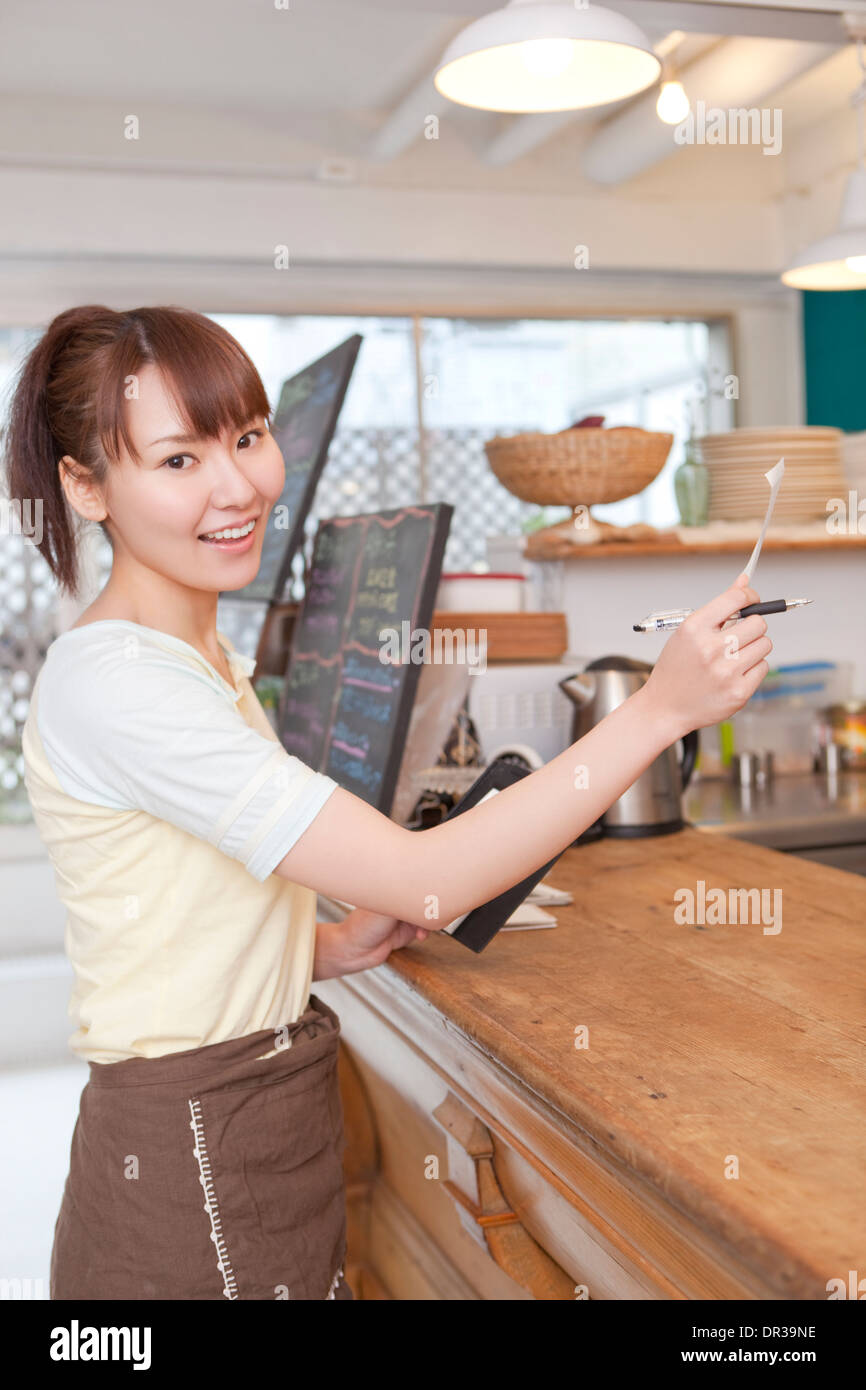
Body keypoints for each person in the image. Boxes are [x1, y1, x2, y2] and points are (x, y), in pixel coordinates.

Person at [4, 305, 771, 1301]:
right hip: (189, 1158)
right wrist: (658, 710)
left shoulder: (194, 657)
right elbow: (429, 877)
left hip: (243, 1113)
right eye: (177, 460)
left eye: (245, 436)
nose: (239, 486)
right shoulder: (119, 679)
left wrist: (311, 949)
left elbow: (146, 912)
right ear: (84, 484)